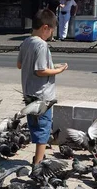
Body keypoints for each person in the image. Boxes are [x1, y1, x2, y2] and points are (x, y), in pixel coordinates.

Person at [16, 9, 68, 166]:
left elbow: (20, 65)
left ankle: (38, 158)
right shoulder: (42, 45)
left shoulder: (26, 42)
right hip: (42, 96)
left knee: (35, 125)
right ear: (45, 27)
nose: (51, 35)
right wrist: (59, 70)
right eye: (51, 31)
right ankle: (38, 162)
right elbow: (40, 71)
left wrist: (52, 65)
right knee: (44, 128)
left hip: (29, 93)